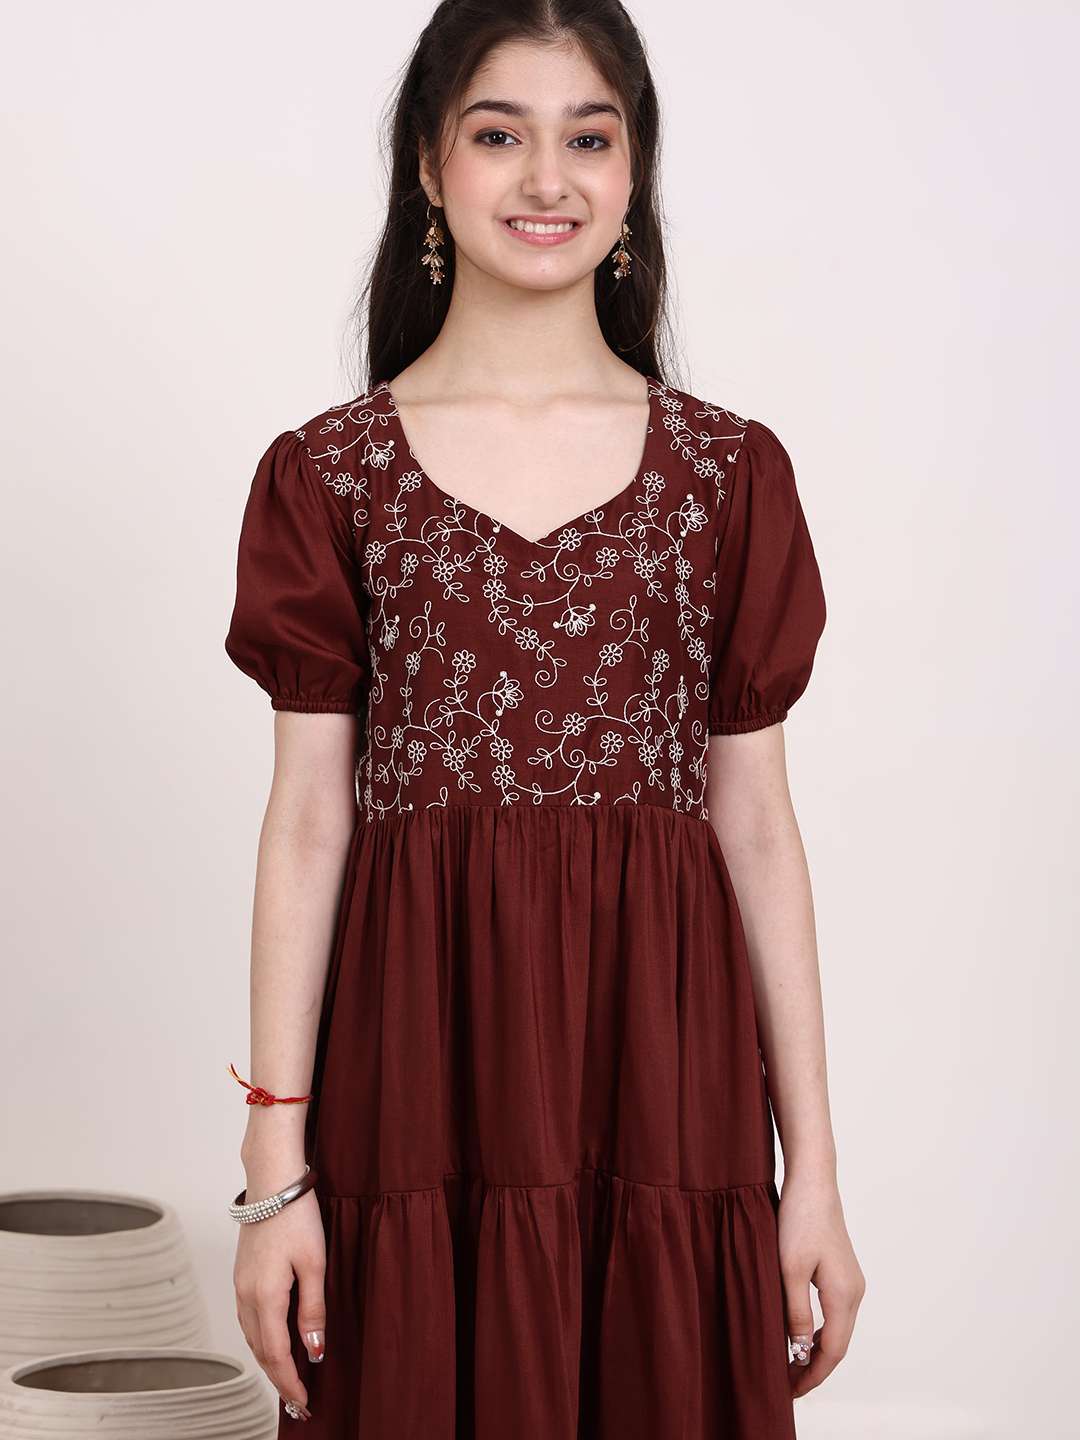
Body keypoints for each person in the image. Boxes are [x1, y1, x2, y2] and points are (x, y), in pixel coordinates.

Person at [223, 1, 865, 1434]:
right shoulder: (332, 476)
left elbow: (756, 826)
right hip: (415, 1082)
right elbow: (311, 820)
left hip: (666, 1086)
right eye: (498, 134)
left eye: (589, 138)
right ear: (428, 164)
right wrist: (275, 1173)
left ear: (635, 174)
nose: (546, 179)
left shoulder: (726, 476)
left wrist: (812, 1172)